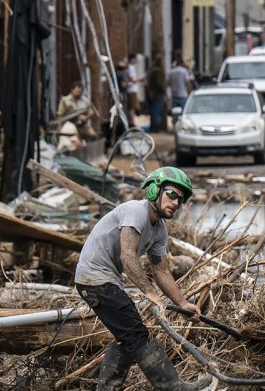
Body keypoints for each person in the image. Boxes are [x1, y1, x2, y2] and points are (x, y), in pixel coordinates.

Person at [75, 167, 212, 391]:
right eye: (172, 195)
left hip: (105, 280)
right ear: (153, 190)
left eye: (181, 200)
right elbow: (128, 256)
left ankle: (108, 388)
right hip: (94, 279)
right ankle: (172, 386)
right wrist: (150, 293)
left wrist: (182, 303)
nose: (177, 203)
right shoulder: (135, 212)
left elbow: (161, 271)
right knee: (136, 334)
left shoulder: (160, 230)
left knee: (129, 336)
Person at [146, 56, 168, 133]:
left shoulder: (151, 70)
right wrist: (164, 90)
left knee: (153, 111)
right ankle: (156, 128)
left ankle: (153, 127)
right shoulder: (158, 71)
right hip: (157, 94)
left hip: (151, 94)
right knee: (157, 111)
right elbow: (159, 83)